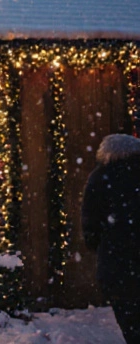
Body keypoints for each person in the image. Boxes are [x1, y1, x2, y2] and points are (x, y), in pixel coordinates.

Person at [83, 133, 140, 343]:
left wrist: (96, 241)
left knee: (128, 317)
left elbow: (90, 217)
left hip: (116, 261)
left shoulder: (100, 176)